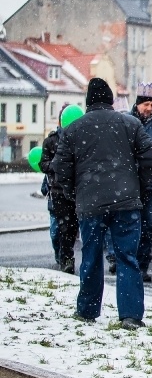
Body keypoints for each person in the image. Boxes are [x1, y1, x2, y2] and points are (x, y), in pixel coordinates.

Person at [51, 78, 152, 329]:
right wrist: (139, 186)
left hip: (90, 203)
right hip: (126, 200)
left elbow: (60, 169)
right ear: (111, 100)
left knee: (91, 256)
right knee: (127, 257)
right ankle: (131, 315)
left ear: (88, 102)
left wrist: (73, 193)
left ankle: (88, 310)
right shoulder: (129, 123)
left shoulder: (74, 129)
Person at [129, 83, 152, 282]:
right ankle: (128, 262)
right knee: (129, 224)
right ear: (138, 104)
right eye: (146, 104)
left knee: (147, 225)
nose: (149, 108)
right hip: (130, 183)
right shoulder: (127, 121)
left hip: (151, 183)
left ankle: (142, 265)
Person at [39, 104, 79, 274]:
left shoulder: (82, 140)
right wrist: (57, 166)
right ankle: (65, 258)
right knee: (61, 228)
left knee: (73, 227)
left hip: (77, 190)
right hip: (58, 190)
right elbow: (43, 163)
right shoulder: (51, 140)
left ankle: (67, 256)